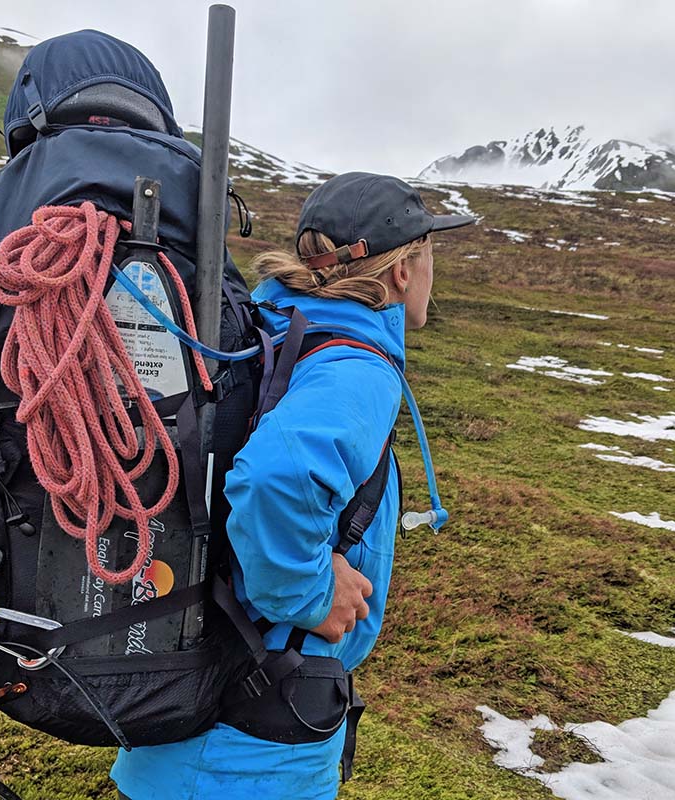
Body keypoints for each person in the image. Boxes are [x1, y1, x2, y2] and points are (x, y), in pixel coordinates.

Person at [110, 172, 474, 799]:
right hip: (258, 732)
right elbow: (277, 477)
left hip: (197, 689)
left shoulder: (269, 326)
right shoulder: (355, 365)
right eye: (430, 250)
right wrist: (306, 594)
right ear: (404, 270)